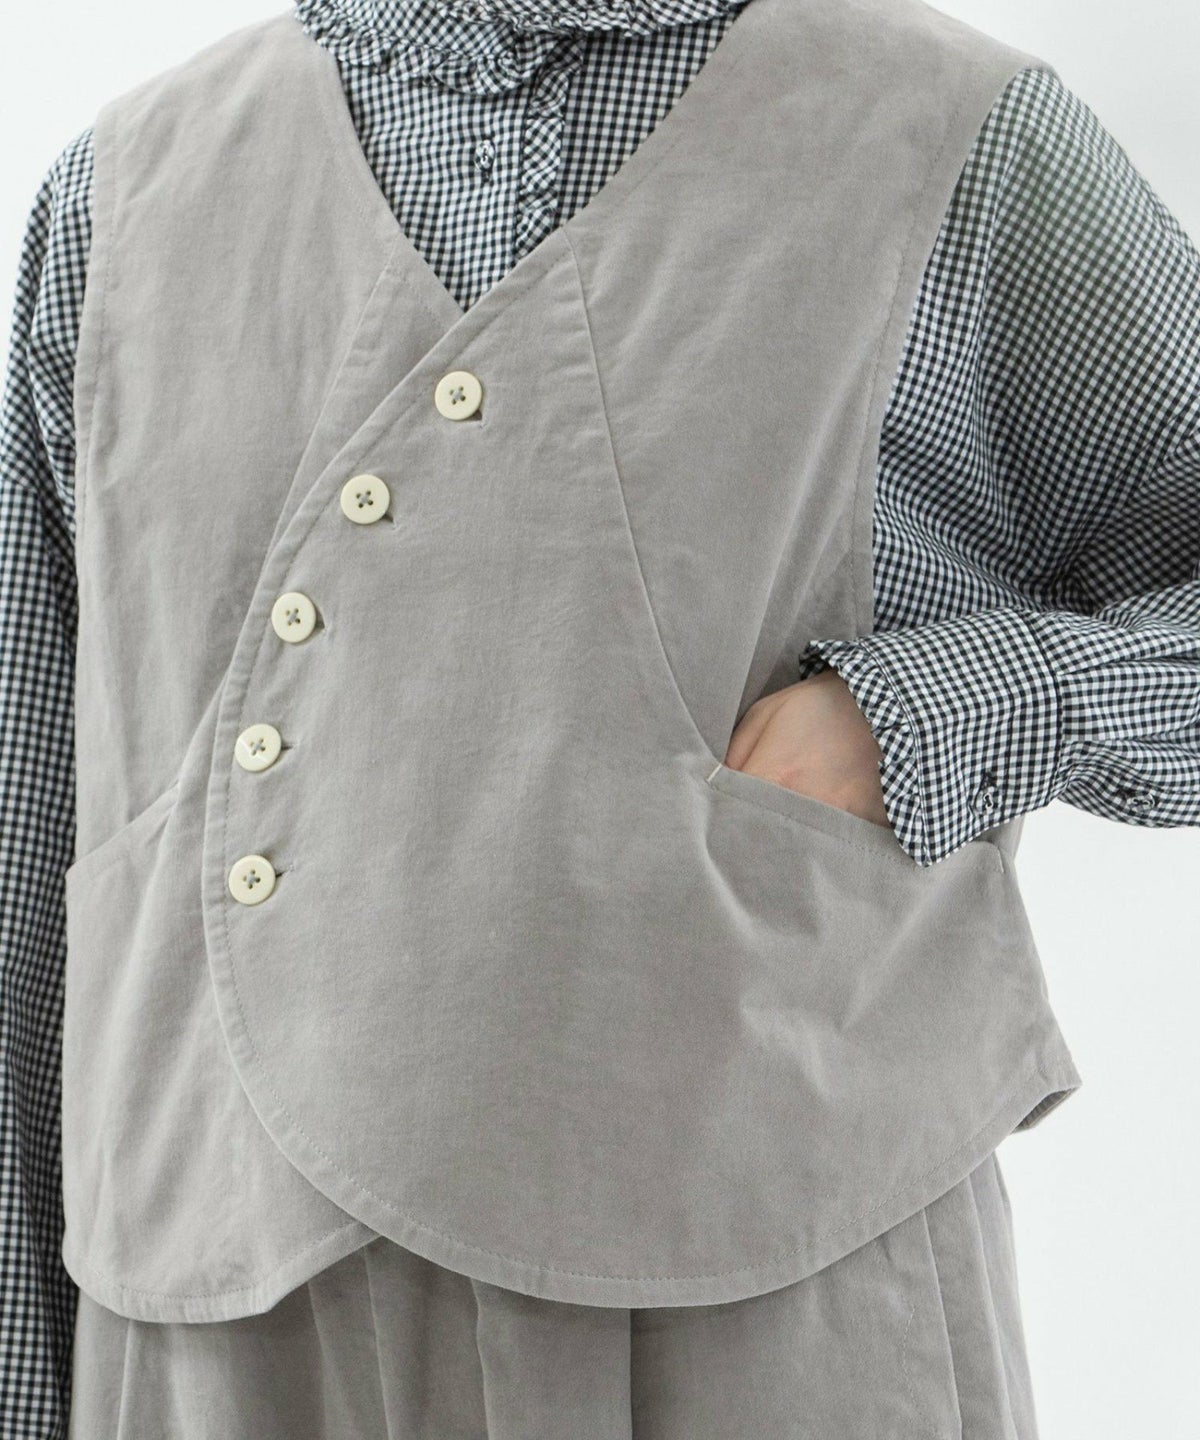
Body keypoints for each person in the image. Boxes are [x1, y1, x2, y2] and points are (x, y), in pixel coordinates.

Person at [1, 0, 1197, 1435]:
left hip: (774, 1293)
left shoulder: (950, 137)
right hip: (223, 1333)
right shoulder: (119, 196)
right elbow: (26, 844)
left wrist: (929, 717)